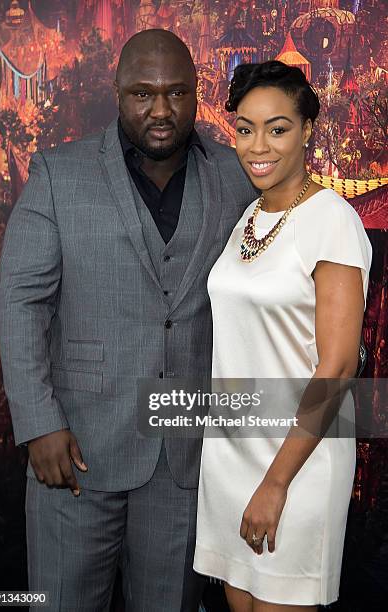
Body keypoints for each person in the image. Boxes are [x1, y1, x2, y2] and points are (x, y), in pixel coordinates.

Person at [0, 30, 257, 612]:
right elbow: (19, 301)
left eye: (176, 93)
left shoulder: (237, 179)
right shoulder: (60, 175)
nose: (160, 110)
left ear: (197, 94)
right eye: (143, 93)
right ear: (116, 92)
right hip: (76, 448)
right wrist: (38, 424)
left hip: (184, 458)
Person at [193, 61, 372, 612]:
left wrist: (276, 484)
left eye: (277, 128)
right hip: (231, 457)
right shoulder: (249, 215)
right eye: (245, 129)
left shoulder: (332, 220)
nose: (256, 146)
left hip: (297, 462)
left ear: (308, 129)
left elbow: (338, 369)